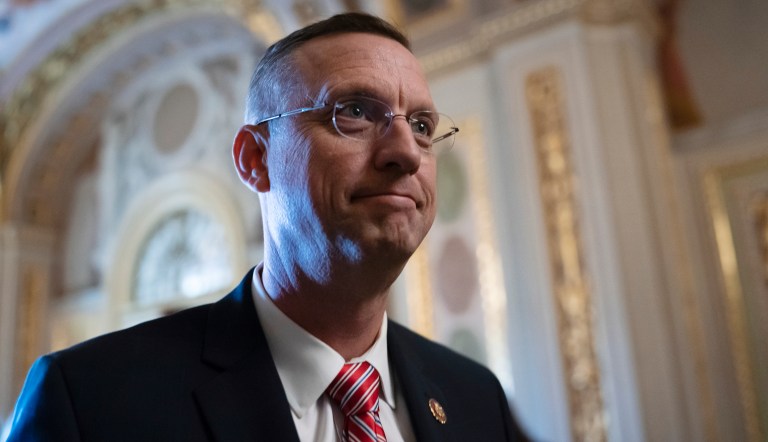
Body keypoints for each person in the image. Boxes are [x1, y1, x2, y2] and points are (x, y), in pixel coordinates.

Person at [8, 12, 529, 441]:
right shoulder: (90, 401)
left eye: (421, 126)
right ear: (256, 158)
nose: (405, 154)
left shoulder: (475, 400)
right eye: (353, 112)